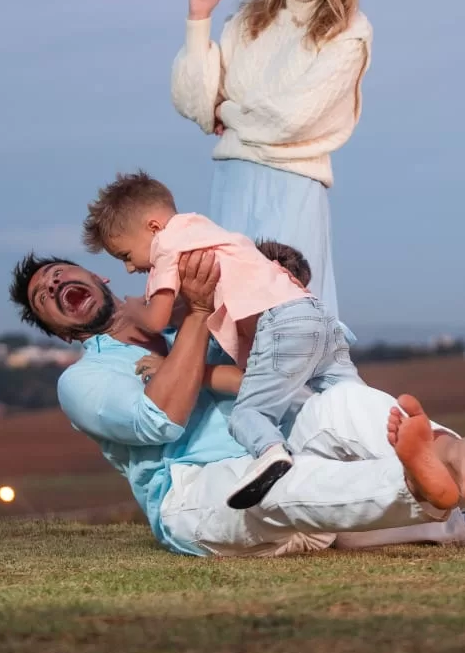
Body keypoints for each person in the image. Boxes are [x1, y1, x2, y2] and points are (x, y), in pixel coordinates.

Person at [8, 249, 465, 557]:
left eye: (58, 273)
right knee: (275, 485)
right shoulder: (84, 380)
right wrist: (198, 314)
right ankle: (426, 487)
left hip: (273, 443)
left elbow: (307, 356)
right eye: (42, 297)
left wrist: (272, 290)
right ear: (60, 330)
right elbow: (160, 419)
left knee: (337, 401)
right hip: (193, 490)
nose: (53, 285)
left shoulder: (197, 311)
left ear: (100, 278)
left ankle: (455, 460)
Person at [81, 170, 361, 508]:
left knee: (248, 416)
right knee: (354, 402)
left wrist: (132, 310)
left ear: (153, 228)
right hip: (316, 317)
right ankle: (395, 448)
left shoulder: (168, 246)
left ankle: (271, 457)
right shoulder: (205, 232)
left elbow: (156, 319)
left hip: (281, 325)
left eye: (125, 255)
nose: (129, 269)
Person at [170, 0, 371, 318]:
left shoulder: (348, 32)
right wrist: (199, 18)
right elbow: (194, 102)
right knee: (225, 319)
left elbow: (290, 119)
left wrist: (227, 111)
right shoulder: (247, 19)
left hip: (292, 187)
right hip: (232, 182)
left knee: (287, 320)